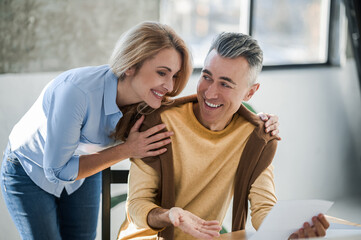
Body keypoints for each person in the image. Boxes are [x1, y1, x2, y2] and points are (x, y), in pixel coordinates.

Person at [0, 22, 279, 240]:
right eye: (162, 73)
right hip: (30, 168)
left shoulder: (150, 102)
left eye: (174, 75)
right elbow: (57, 170)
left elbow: (198, 106)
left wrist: (260, 124)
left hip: (83, 167)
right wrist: (126, 150)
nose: (169, 86)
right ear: (131, 65)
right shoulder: (78, 93)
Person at [116, 32, 329, 240]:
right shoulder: (160, 122)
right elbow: (137, 205)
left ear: (250, 92)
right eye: (207, 77)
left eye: (225, 84)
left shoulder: (255, 139)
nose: (210, 93)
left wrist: (292, 233)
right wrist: (169, 215)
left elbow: (264, 209)